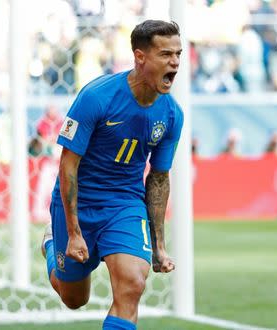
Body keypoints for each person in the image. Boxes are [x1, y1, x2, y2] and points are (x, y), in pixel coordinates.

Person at [41, 20, 184, 330]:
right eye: (165, 54)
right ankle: (52, 245)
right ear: (140, 57)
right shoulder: (97, 96)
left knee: (132, 284)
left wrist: (159, 246)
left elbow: (159, 178)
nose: (174, 62)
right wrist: (73, 231)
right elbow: (68, 165)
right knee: (73, 298)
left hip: (124, 205)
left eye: (178, 54)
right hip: (81, 204)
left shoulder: (172, 114)